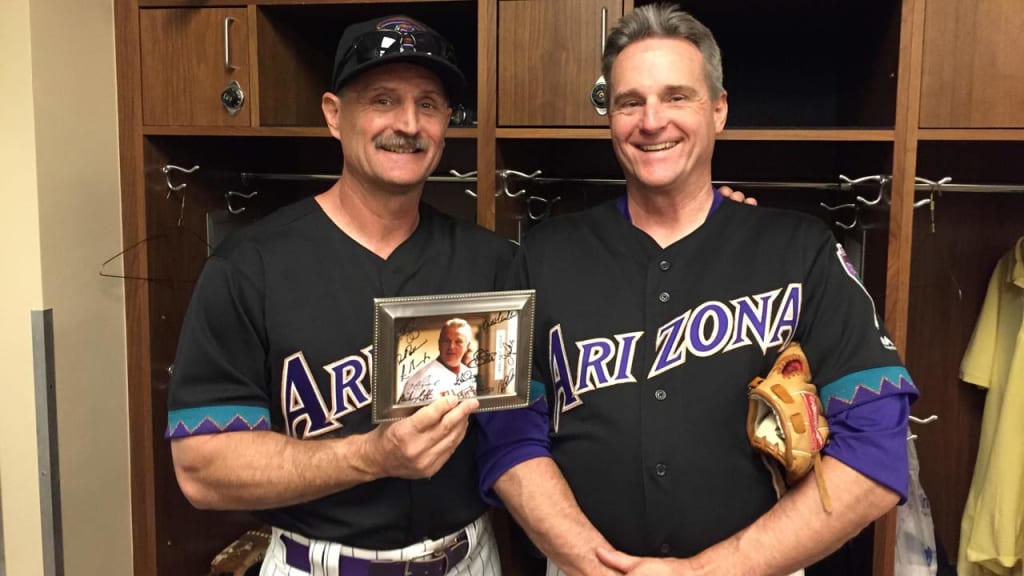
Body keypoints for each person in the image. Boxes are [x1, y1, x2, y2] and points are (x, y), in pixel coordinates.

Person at [477, 4, 920, 576]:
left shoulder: (800, 249)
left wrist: (715, 571)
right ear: (610, 118)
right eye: (629, 102)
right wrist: (596, 564)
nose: (651, 120)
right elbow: (505, 437)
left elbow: (876, 450)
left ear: (719, 109)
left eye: (676, 96)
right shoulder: (541, 255)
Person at [165, 15, 515, 576]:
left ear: (447, 122)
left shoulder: (493, 263)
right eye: (382, 100)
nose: (408, 123)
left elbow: (520, 434)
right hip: (317, 564)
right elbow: (202, 470)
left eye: (428, 104)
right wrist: (371, 456)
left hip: (466, 558)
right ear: (334, 114)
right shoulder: (249, 267)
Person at [400, 318, 479, 403]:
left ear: (467, 346)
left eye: (458, 342)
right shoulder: (421, 379)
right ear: (439, 343)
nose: (451, 347)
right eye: (447, 341)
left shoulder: (468, 374)